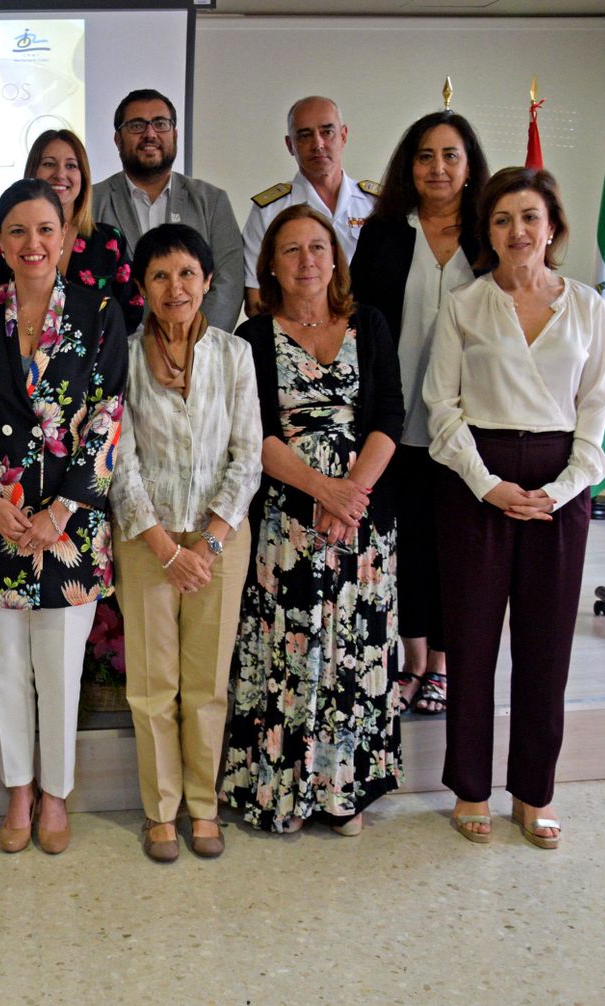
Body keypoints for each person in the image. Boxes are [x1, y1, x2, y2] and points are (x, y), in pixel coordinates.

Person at [423, 167, 605, 849]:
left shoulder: (587, 306)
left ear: (552, 226)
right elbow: (441, 409)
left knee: (545, 647)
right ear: (489, 232)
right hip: (478, 482)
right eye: (502, 220)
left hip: (559, 488)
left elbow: (596, 410)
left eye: (529, 218)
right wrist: (488, 484)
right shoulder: (465, 305)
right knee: (471, 644)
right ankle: (471, 787)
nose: (517, 232)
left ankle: (534, 791)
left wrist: (559, 491)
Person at [0, 179, 128, 856]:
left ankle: (57, 795)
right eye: (18, 231)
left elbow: (111, 412)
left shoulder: (98, 310)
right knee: (4, 664)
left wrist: (62, 507)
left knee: (60, 668)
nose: (33, 243)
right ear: (0, 240)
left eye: (46, 230)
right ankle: (17, 791)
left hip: (70, 526)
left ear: (66, 238)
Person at [221, 205, 403, 836]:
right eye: (291, 250)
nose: (306, 261)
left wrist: (352, 494)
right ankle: (284, 795)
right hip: (287, 521)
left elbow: (389, 420)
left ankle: (341, 792)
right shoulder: (251, 338)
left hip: (361, 523)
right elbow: (255, 437)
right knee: (288, 659)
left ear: (335, 258)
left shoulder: (371, 325)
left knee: (353, 654)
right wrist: (322, 488)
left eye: (318, 248)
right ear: (270, 263)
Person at [110, 224, 261, 862]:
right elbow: (117, 460)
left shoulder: (233, 353)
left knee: (207, 682)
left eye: (188, 274)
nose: (176, 288)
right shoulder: (120, 352)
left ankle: (204, 805)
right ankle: (160, 810)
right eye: (161, 276)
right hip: (146, 542)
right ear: (142, 286)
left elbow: (248, 455)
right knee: (151, 684)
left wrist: (209, 542)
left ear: (207, 281)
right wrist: (163, 546)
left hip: (219, 541)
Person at [350, 110, 491, 717]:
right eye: (426, 156)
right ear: (409, 166)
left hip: (469, 423)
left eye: (450, 155)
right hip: (396, 420)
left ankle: (445, 662)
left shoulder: (490, 233)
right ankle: (412, 662)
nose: (438, 167)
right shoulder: (384, 233)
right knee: (402, 541)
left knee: (454, 546)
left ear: (469, 166)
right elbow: (359, 323)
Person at [91, 88, 242, 333]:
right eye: (136, 125)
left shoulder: (211, 201)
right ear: (117, 140)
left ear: (175, 134)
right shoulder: (90, 203)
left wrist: (192, 345)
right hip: (116, 356)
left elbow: (229, 284)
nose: (150, 134)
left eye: (161, 124)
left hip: (197, 356)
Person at [0, 128, 144, 332]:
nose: (60, 174)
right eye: (48, 164)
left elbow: (130, 315)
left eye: (71, 166)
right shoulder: (7, 239)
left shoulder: (109, 242)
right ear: (33, 172)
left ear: (83, 176)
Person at [241, 96, 380, 316]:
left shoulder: (376, 205)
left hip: (368, 334)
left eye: (327, 132)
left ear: (343, 135)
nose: (318, 144)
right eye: (305, 135)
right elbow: (256, 299)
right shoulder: (268, 212)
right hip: (291, 338)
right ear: (290, 145)